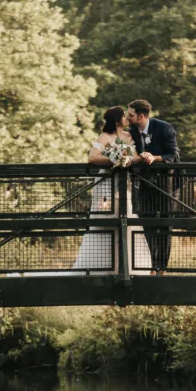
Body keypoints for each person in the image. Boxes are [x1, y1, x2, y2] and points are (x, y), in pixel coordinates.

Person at [73, 106, 141, 271]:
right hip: (106, 183)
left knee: (127, 217)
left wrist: (127, 160)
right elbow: (92, 157)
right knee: (105, 219)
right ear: (118, 120)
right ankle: (100, 266)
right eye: (124, 116)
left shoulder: (130, 136)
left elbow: (137, 156)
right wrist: (113, 160)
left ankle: (127, 266)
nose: (127, 119)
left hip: (124, 184)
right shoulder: (104, 137)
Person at [127, 99, 180, 275]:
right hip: (144, 184)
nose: (128, 117)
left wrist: (154, 158)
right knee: (146, 223)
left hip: (167, 184)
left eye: (131, 115)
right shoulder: (131, 132)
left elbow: (173, 155)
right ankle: (151, 264)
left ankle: (161, 267)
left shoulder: (165, 128)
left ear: (141, 116)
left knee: (165, 225)